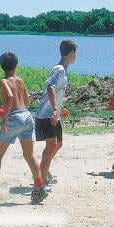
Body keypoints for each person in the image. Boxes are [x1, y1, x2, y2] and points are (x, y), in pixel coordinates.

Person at [0, 52, 48, 203]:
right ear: (16, 65)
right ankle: (40, 187)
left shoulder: (2, 81)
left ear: (1, 65)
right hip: (26, 117)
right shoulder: (20, 80)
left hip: (14, 118)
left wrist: (4, 116)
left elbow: (9, 97)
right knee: (29, 155)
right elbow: (26, 102)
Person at [36, 39, 77, 186]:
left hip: (54, 113)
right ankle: (42, 177)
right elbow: (50, 87)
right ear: (71, 53)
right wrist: (54, 109)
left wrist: (61, 107)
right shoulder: (59, 69)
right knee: (51, 146)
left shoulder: (63, 70)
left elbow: (56, 91)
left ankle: (43, 171)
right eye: (75, 53)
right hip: (47, 114)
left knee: (58, 144)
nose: (75, 57)